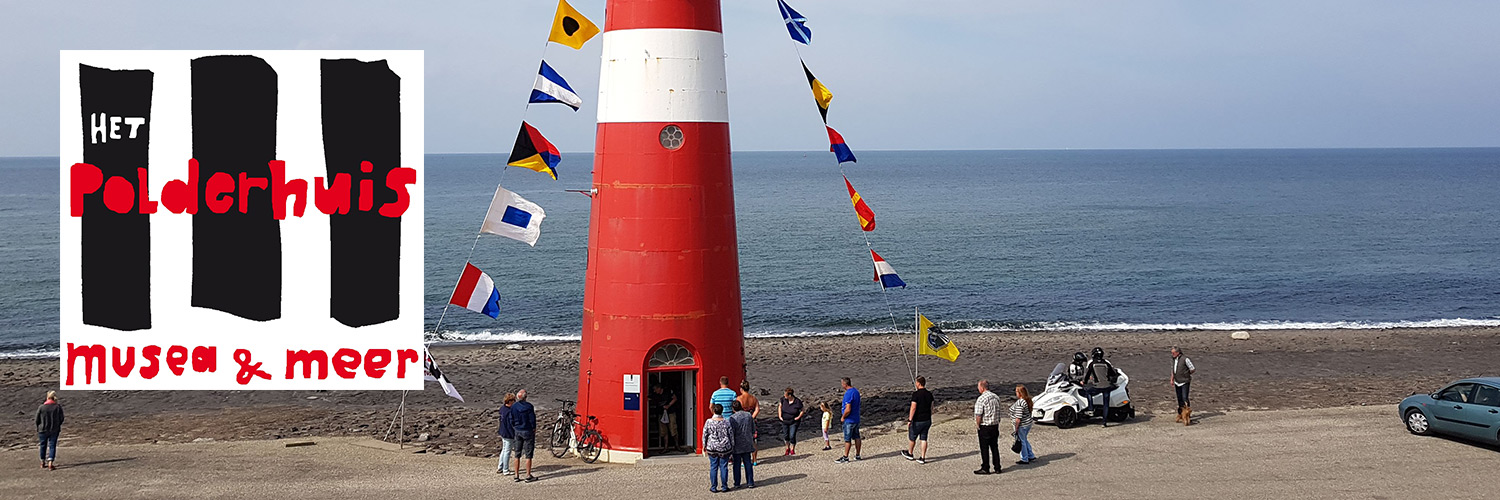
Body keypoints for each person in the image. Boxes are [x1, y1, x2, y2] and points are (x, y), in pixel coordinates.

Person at [702, 403, 734, 493]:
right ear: (722, 411)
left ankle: (713, 487)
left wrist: (704, 445)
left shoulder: (709, 421)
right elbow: (730, 435)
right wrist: (732, 445)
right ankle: (724, 486)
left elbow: (705, 434)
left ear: (713, 411)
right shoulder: (726, 421)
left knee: (713, 467)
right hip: (724, 447)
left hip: (712, 446)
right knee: (724, 466)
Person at [1082, 347, 1117, 427]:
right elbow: (1113, 373)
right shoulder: (1106, 363)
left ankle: (1090, 409)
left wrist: (1084, 382)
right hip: (1107, 386)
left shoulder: (1092, 364)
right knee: (1106, 404)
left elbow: (1087, 375)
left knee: (1088, 392)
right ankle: (1104, 422)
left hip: (1097, 386)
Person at [973, 379, 1002, 475]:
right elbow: (999, 411)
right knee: (994, 447)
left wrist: (977, 425)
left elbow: (978, 414)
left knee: (984, 448)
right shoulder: (996, 397)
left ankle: (986, 467)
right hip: (995, 425)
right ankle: (997, 467)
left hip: (985, 426)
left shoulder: (981, 399)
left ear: (982, 387)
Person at [508, 389, 538, 482]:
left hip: (518, 430)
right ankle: (528, 475)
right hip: (527, 430)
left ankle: (516, 475)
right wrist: (534, 428)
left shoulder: (514, 406)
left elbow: (511, 418)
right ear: (525, 397)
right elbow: (532, 419)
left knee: (517, 453)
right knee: (528, 454)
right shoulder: (529, 406)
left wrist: (515, 426)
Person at [902, 376, 934, 464]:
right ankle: (923, 457)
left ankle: (910, 453)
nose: (915, 384)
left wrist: (909, 420)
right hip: (927, 419)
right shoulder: (929, 394)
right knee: (924, 438)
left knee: (912, 437)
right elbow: (932, 406)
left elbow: (913, 408)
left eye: (916, 382)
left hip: (917, 420)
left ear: (919, 383)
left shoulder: (916, 395)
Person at [728, 400, 756, 489]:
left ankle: (737, 482)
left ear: (733, 409)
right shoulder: (748, 415)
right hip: (747, 441)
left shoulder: (732, 418)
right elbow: (753, 428)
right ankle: (750, 482)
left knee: (736, 464)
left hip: (737, 443)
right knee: (748, 462)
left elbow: (731, 432)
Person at [833, 377, 862, 463]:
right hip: (856, 418)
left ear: (844, 384)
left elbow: (848, 409)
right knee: (857, 437)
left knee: (847, 439)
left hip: (849, 420)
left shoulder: (848, 393)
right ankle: (857, 454)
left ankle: (845, 457)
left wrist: (843, 417)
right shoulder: (856, 391)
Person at [735, 380, 761, 464]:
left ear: (741, 389)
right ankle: (755, 459)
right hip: (752, 420)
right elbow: (757, 409)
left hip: (742, 421)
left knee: (743, 440)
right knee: (753, 441)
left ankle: (744, 461)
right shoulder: (753, 398)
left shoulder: (739, 398)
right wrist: (752, 417)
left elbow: (736, 410)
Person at [36, 390, 63, 471]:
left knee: (43, 445)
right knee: (52, 445)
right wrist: (57, 425)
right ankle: (50, 462)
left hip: (42, 429)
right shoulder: (58, 407)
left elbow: (37, 419)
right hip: (54, 429)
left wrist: (38, 426)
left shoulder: (41, 407)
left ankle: (42, 461)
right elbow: (61, 418)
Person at [1011, 384, 1037, 465]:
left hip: (1022, 425)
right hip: (1028, 423)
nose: (1016, 393)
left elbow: (1018, 418)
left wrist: (1016, 428)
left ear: (1020, 393)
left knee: (1022, 441)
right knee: (1024, 439)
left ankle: (1024, 458)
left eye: (1016, 392)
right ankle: (1031, 455)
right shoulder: (1027, 400)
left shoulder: (1020, 403)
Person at [1172, 346, 1196, 425]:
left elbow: (1192, 368)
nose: (1172, 354)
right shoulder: (1174, 360)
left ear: (1178, 352)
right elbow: (1174, 370)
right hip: (1177, 381)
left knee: (1185, 397)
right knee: (1179, 398)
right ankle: (1180, 413)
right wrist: (1172, 379)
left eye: (1173, 353)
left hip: (1184, 381)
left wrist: (1186, 374)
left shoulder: (1185, 359)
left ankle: (1187, 414)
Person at [777, 387, 805, 456]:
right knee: (786, 435)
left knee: (792, 435)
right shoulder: (783, 400)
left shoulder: (797, 402)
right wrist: (780, 416)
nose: (784, 396)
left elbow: (802, 410)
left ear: (790, 395)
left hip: (794, 421)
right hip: (785, 420)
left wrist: (798, 417)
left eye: (785, 394)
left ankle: (792, 449)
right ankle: (787, 448)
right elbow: (780, 407)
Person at [651, 384, 679, 448]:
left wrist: (668, 406)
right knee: (663, 431)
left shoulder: (668, 392)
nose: (654, 391)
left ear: (659, 388)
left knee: (673, 429)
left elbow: (675, 398)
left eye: (655, 389)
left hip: (670, 412)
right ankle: (666, 447)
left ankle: (677, 445)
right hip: (661, 414)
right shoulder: (655, 395)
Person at [497, 393, 516, 475]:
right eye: (513, 400)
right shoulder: (509, 411)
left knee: (504, 450)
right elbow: (511, 424)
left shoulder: (502, 409)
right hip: (508, 433)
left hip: (503, 431)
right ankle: (505, 469)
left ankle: (500, 467)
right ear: (510, 401)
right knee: (507, 451)